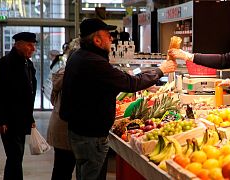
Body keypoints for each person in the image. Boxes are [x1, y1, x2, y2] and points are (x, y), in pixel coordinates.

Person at [59, 18, 177, 180]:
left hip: (79, 131)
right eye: (108, 35)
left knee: (85, 173)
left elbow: (94, 88)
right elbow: (131, 83)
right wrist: (160, 70)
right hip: (91, 135)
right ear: (97, 39)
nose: (112, 38)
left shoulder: (79, 56)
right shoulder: (94, 62)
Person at [0, 32, 37, 180]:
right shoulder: (5, 64)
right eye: (30, 45)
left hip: (22, 119)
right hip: (9, 120)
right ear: (18, 45)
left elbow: (29, 93)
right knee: (14, 157)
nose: (33, 49)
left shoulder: (28, 64)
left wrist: (30, 117)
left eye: (34, 45)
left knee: (16, 157)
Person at [46, 38, 80, 180]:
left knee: (61, 168)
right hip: (67, 129)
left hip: (60, 126)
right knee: (64, 168)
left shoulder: (63, 73)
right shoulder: (74, 75)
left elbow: (54, 99)